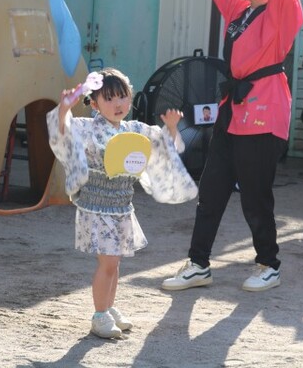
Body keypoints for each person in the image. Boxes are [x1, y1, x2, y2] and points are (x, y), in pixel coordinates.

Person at [161, 0, 303, 292]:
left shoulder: (283, 8)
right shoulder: (240, 9)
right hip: (232, 110)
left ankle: (269, 265)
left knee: (255, 196)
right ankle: (198, 264)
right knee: (210, 191)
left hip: (265, 111)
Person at [47, 68, 197, 338]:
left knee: (114, 264)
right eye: (109, 98)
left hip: (122, 205)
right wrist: (64, 110)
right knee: (108, 263)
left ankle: (108, 307)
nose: (118, 104)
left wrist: (172, 128)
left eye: (122, 96)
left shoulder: (135, 129)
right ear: (94, 104)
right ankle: (99, 315)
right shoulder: (87, 128)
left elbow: (163, 145)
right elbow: (61, 134)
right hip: (97, 205)